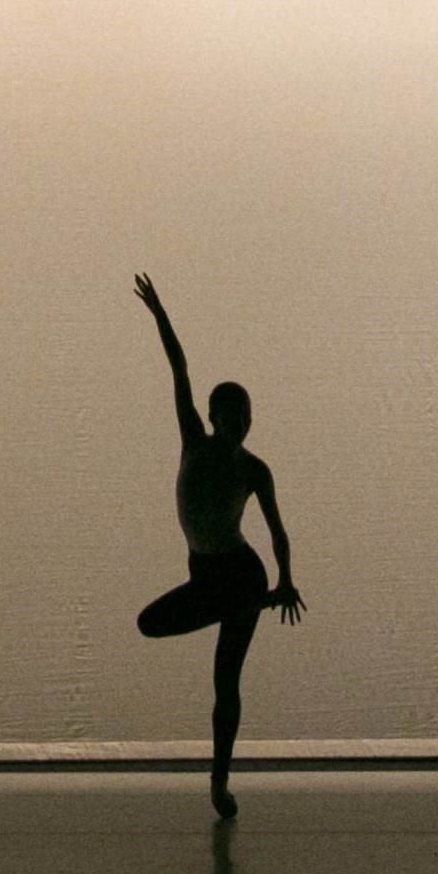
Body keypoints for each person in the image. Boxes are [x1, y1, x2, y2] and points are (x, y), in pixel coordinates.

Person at [131, 274, 305, 819]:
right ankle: (244, 602)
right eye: (232, 418)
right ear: (213, 417)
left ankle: (219, 784)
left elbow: (277, 529)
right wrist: (160, 314)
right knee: (149, 623)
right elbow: (179, 371)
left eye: (247, 420)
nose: (241, 427)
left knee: (225, 683)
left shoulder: (255, 470)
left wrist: (285, 580)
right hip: (206, 577)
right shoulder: (194, 442)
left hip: (240, 573)